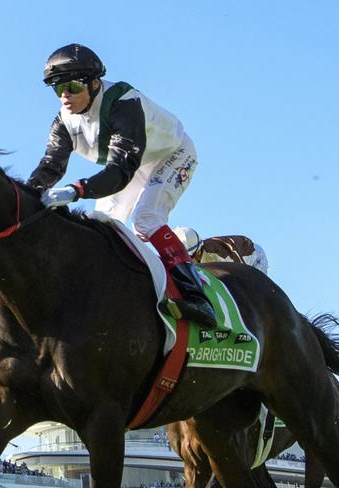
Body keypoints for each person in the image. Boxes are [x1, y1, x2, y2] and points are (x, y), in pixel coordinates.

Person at [27, 43, 216, 328]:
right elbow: (50, 166)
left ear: (94, 83)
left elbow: (119, 171)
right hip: (133, 164)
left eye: (72, 86)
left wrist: (77, 190)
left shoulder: (123, 102)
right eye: (57, 88)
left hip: (172, 154)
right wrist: (25, 198)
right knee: (102, 223)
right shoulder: (62, 121)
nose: (65, 95)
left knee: (147, 219)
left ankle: (195, 295)